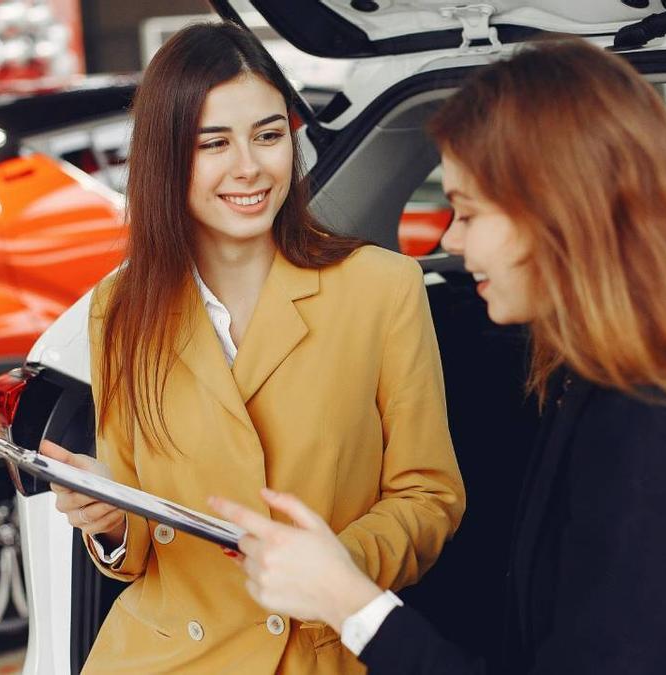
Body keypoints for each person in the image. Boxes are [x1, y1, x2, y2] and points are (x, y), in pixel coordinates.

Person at [210, 36, 666, 674]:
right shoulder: (603, 375)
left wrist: (345, 599)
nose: (450, 240)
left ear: (560, 217)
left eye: (467, 212)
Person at [38, 22, 465, 674]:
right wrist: (108, 520)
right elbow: (137, 551)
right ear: (166, 156)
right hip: (158, 656)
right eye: (215, 143)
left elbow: (429, 496)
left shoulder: (382, 288)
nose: (250, 167)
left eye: (268, 136)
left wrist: (337, 568)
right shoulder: (120, 307)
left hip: (317, 653)